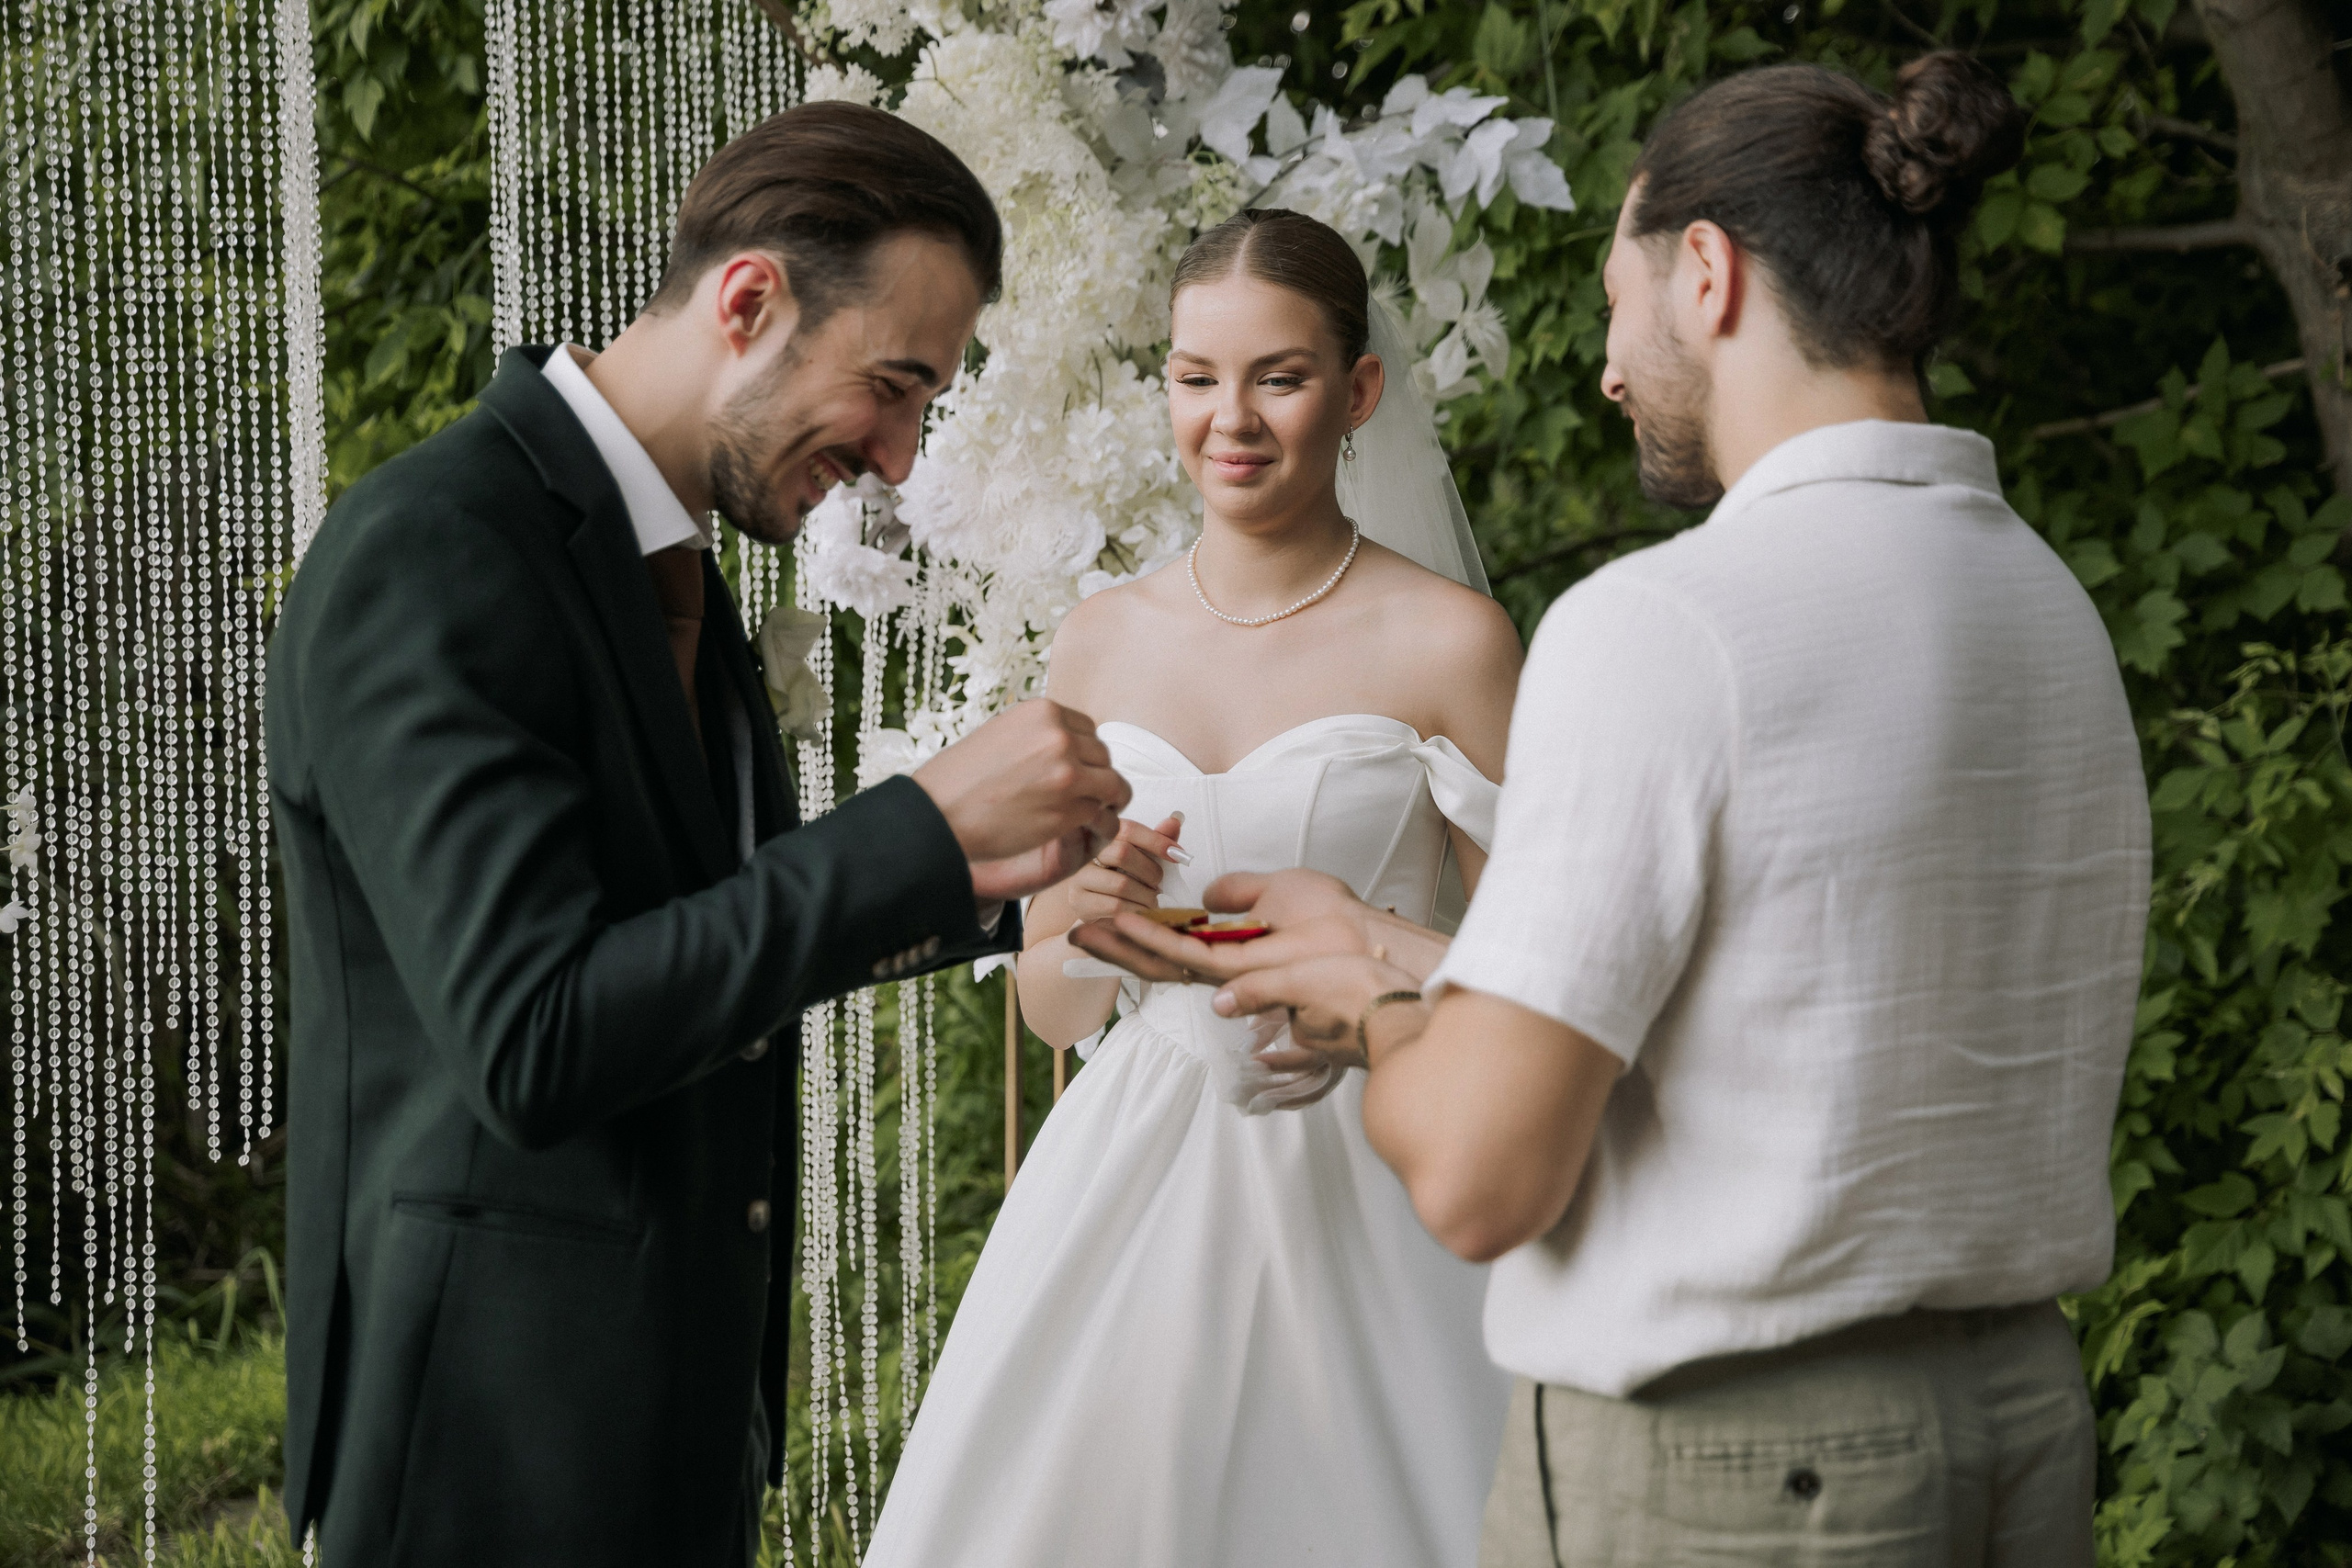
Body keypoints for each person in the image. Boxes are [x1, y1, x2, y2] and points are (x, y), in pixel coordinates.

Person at [1082, 55, 2152, 1565]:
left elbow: (1474, 1172)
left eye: (1612, 304)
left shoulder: (1668, 624)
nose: (1606, 369)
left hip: (1741, 1463)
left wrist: (1355, 1002)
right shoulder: (2047, 609)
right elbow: (1773, 1020)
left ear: (1704, 274)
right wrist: (1396, 947)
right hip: (2021, 1429)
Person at [269, 103, 1130, 1568]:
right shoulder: (437, 547)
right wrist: (914, 825)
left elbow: (699, 949)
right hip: (490, 1457)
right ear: (751, 302)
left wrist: (1015, 900)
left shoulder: (679, 583)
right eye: (896, 388)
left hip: (672, 1433)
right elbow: (536, 1038)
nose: (903, 459)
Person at [863, 209, 1525, 1568]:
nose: (1231, 418)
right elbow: (1052, 1007)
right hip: (1140, 1160)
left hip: (1378, 1153)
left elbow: (1537, 966)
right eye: (1194, 376)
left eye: (1278, 377)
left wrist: (1372, 957)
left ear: (1360, 392)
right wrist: (1095, 909)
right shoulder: (1101, 637)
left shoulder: (1452, 641)